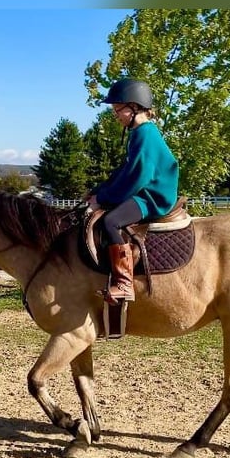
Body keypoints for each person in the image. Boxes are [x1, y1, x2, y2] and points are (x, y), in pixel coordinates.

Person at [86, 78, 180, 305]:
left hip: (153, 197)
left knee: (111, 221)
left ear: (135, 107)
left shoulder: (145, 134)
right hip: (146, 192)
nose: (116, 114)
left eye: (118, 109)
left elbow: (136, 177)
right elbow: (124, 172)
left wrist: (104, 199)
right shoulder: (138, 133)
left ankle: (124, 283)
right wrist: (99, 192)